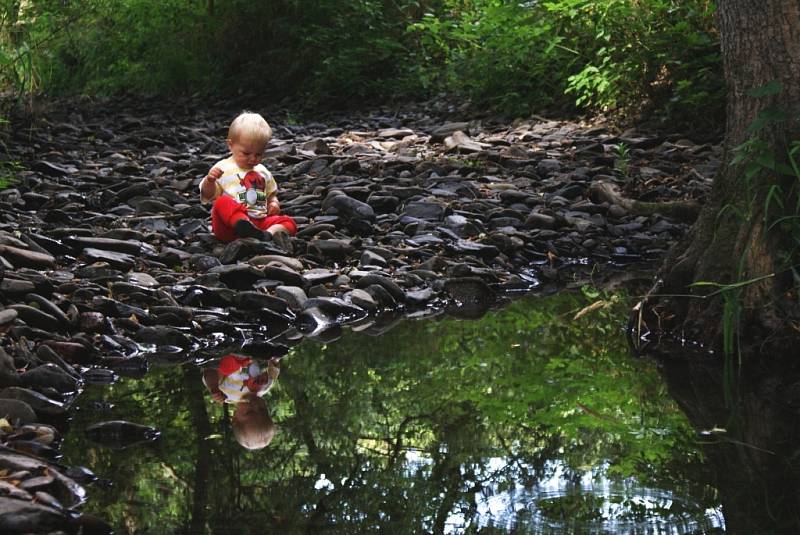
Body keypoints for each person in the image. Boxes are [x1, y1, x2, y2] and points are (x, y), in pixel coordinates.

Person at [199, 111, 297, 251]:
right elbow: (207, 195)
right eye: (246, 153)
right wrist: (210, 180)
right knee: (222, 201)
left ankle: (267, 235)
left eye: (258, 154)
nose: (252, 159)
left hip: (259, 222)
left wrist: (274, 203)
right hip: (229, 228)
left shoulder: (263, 172)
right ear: (231, 145)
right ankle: (242, 225)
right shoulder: (222, 168)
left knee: (289, 222)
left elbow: (271, 195)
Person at [203, 354, 281, 450]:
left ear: (235, 418)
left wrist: (213, 387)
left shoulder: (225, 394)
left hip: (224, 350)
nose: (255, 405)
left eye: (250, 412)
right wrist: (275, 359)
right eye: (262, 410)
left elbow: (209, 370)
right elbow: (273, 370)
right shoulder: (263, 387)